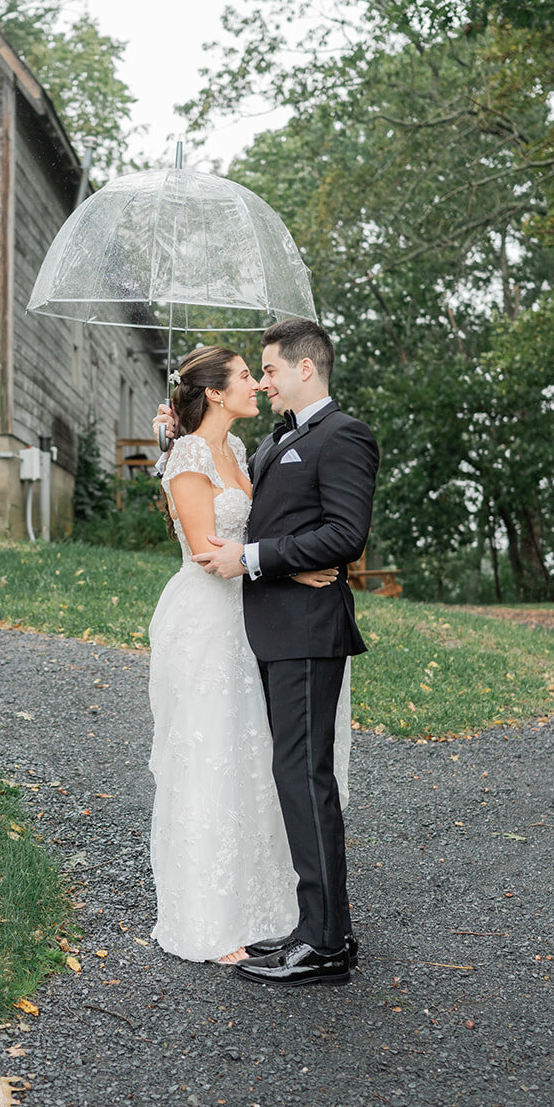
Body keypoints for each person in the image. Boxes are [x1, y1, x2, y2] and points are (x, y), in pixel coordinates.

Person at [190, 318, 379, 986]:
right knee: (293, 776)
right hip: (275, 628)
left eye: (268, 370)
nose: (262, 381)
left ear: (305, 368)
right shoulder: (276, 440)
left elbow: (345, 534)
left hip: (307, 630)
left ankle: (326, 945)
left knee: (304, 779)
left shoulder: (343, 435)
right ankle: (316, 930)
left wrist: (255, 557)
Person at [147, 345, 342, 965]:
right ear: (213, 393)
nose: (256, 385)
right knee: (210, 757)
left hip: (250, 618)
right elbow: (211, 554)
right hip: (205, 622)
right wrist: (289, 575)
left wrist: (292, 564)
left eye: (260, 374)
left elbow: (261, 534)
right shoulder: (188, 455)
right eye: (242, 378)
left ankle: (264, 906)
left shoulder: (237, 451)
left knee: (252, 758)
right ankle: (206, 919)